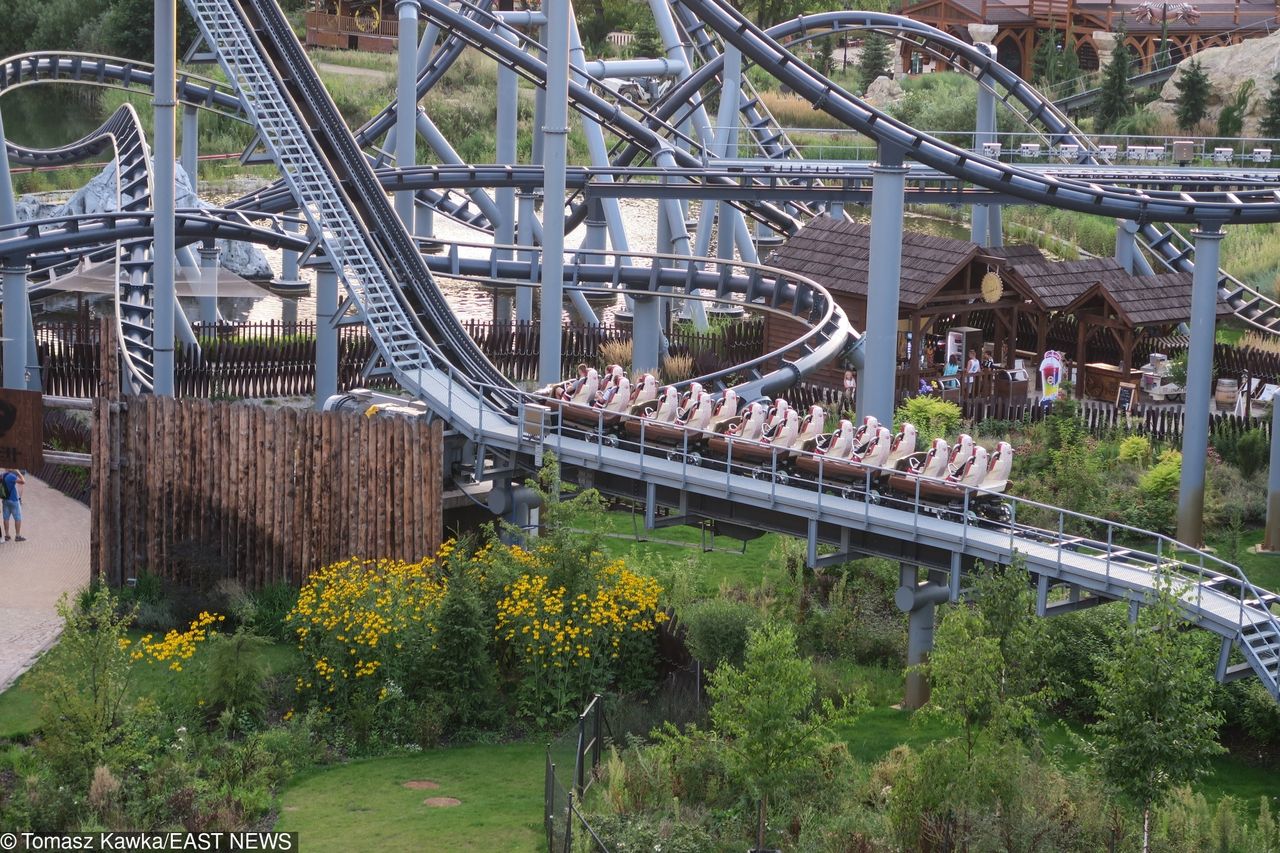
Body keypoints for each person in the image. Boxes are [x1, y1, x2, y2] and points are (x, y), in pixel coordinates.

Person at [2, 468, 25, 542]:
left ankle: (7, 535)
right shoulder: (12, 476)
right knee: (18, 518)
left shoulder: (2, 475)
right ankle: (17, 536)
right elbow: (23, 482)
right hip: (14, 500)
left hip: (5, 499)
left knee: (6, 518)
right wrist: (19, 473)